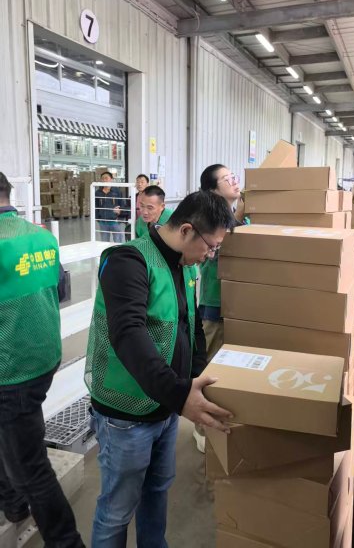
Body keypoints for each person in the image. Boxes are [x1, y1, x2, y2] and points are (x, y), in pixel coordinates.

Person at [84, 190, 235, 548]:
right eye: (211, 247)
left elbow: (190, 326)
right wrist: (180, 395)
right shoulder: (128, 261)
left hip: (165, 406)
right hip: (126, 413)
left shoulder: (185, 266)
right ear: (186, 230)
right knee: (117, 508)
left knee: (156, 491)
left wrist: (196, 380)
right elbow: (128, 334)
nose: (210, 255)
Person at [0, 172, 85, 547]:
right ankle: (13, 503)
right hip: (44, 356)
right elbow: (61, 289)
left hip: (10, 368)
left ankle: (66, 542)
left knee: (32, 469)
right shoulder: (41, 235)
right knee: (10, 435)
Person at [193, 165, 245, 453]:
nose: (234, 182)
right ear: (213, 190)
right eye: (227, 179)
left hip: (239, 304)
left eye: (233, 177)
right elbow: (210, 255)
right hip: (214, 302)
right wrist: (236, 220)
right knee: (210, 368)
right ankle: (202, 427)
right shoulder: (208, 218)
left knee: (232, 367)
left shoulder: (242, 215)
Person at [95, 171, 126, 243]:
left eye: (106, 178)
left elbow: (122, 204)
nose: (104, 180)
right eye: (102, 178)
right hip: (103, 222)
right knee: (104, 242)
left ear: (111, 179)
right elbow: (96, 206)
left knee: (118, 242)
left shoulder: (117, 191)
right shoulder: (98, 192)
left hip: (115, 222)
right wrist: (98, 218)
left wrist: (120, 216)